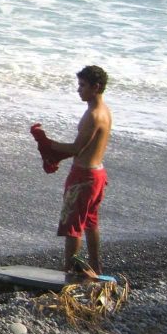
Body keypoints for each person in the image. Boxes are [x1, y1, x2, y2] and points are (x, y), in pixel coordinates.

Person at [38, 66, 111, 275]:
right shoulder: (105, 110)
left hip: (84, 176)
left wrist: (46, 143)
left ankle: (70, 269)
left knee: (73, 225)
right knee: (90, 221)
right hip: (98, 173)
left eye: (82, 85)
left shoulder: (94, 115)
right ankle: (95, 266)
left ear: (96, 87)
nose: (78, 90)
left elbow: (76, 148)